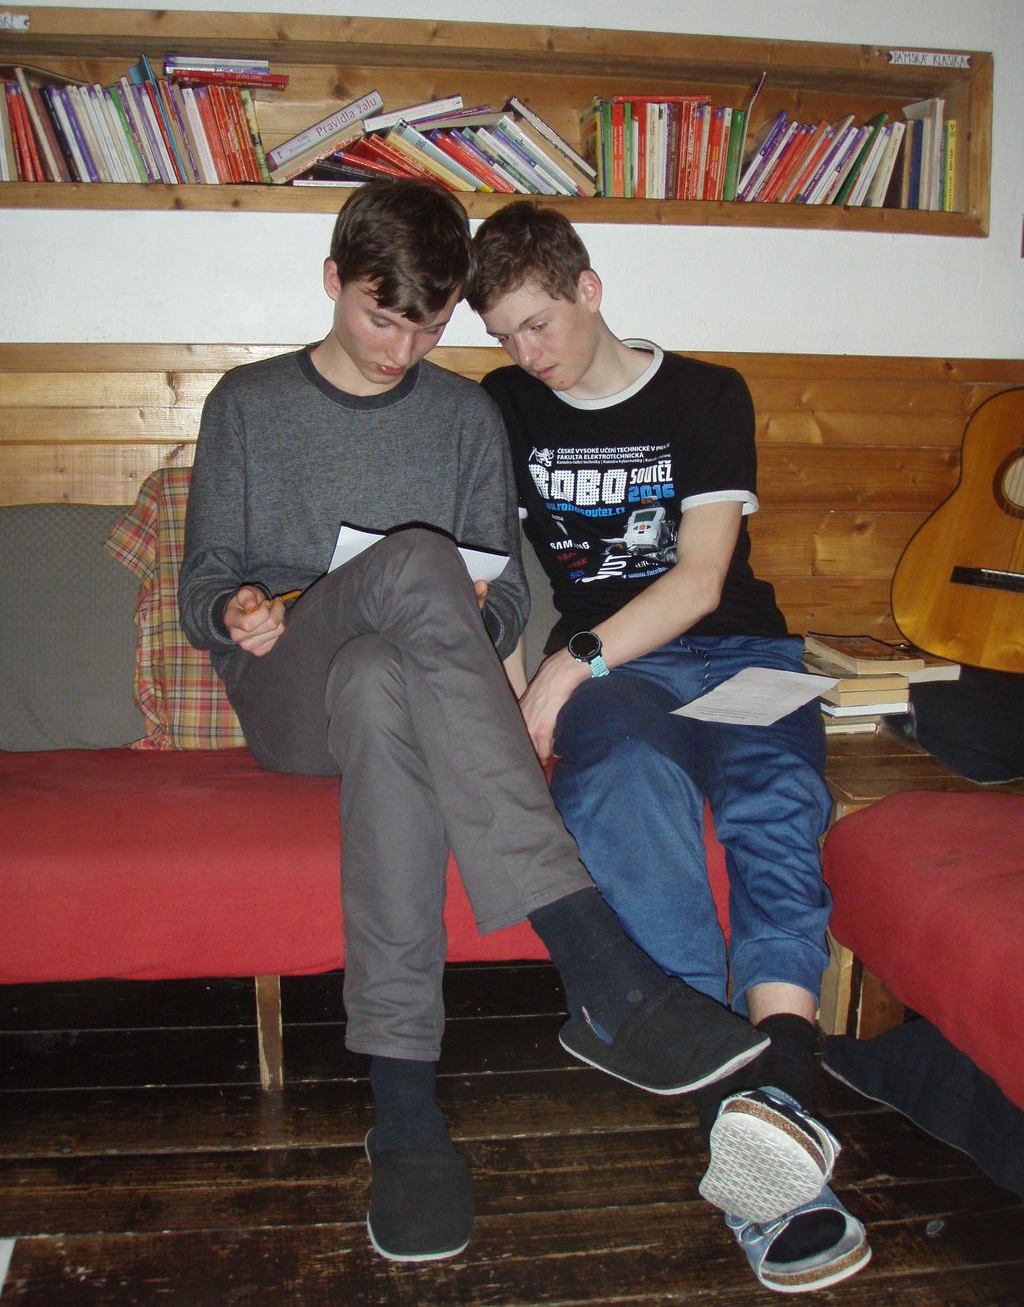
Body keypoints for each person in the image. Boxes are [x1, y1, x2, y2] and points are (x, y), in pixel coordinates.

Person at [178, 181, 768, 1266]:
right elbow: (203, 582)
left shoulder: (464, 417)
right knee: (412, 564)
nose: (401, 350)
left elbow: (504, 603)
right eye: (381, 318)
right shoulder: (247, 403)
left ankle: (404, 1111)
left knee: (381, 673)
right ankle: (595, 958)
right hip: (286, 692)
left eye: (429, 326)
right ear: (333, 282)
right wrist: (237, 610)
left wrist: (471, 611)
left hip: (390, 687)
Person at [468, 201, 871, 1294]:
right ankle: (731, 1094)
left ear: (589, 289)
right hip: (624, 681)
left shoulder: (705, 393)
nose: (527, 353)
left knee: (775, 796)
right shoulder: (503, 405)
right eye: (503, 334)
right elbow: (495, 575)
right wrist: (520, 697)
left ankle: (776, 1096)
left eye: (540, 323)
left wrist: (568, 664)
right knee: (622, 782)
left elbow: (699, 580)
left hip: (735, 650)